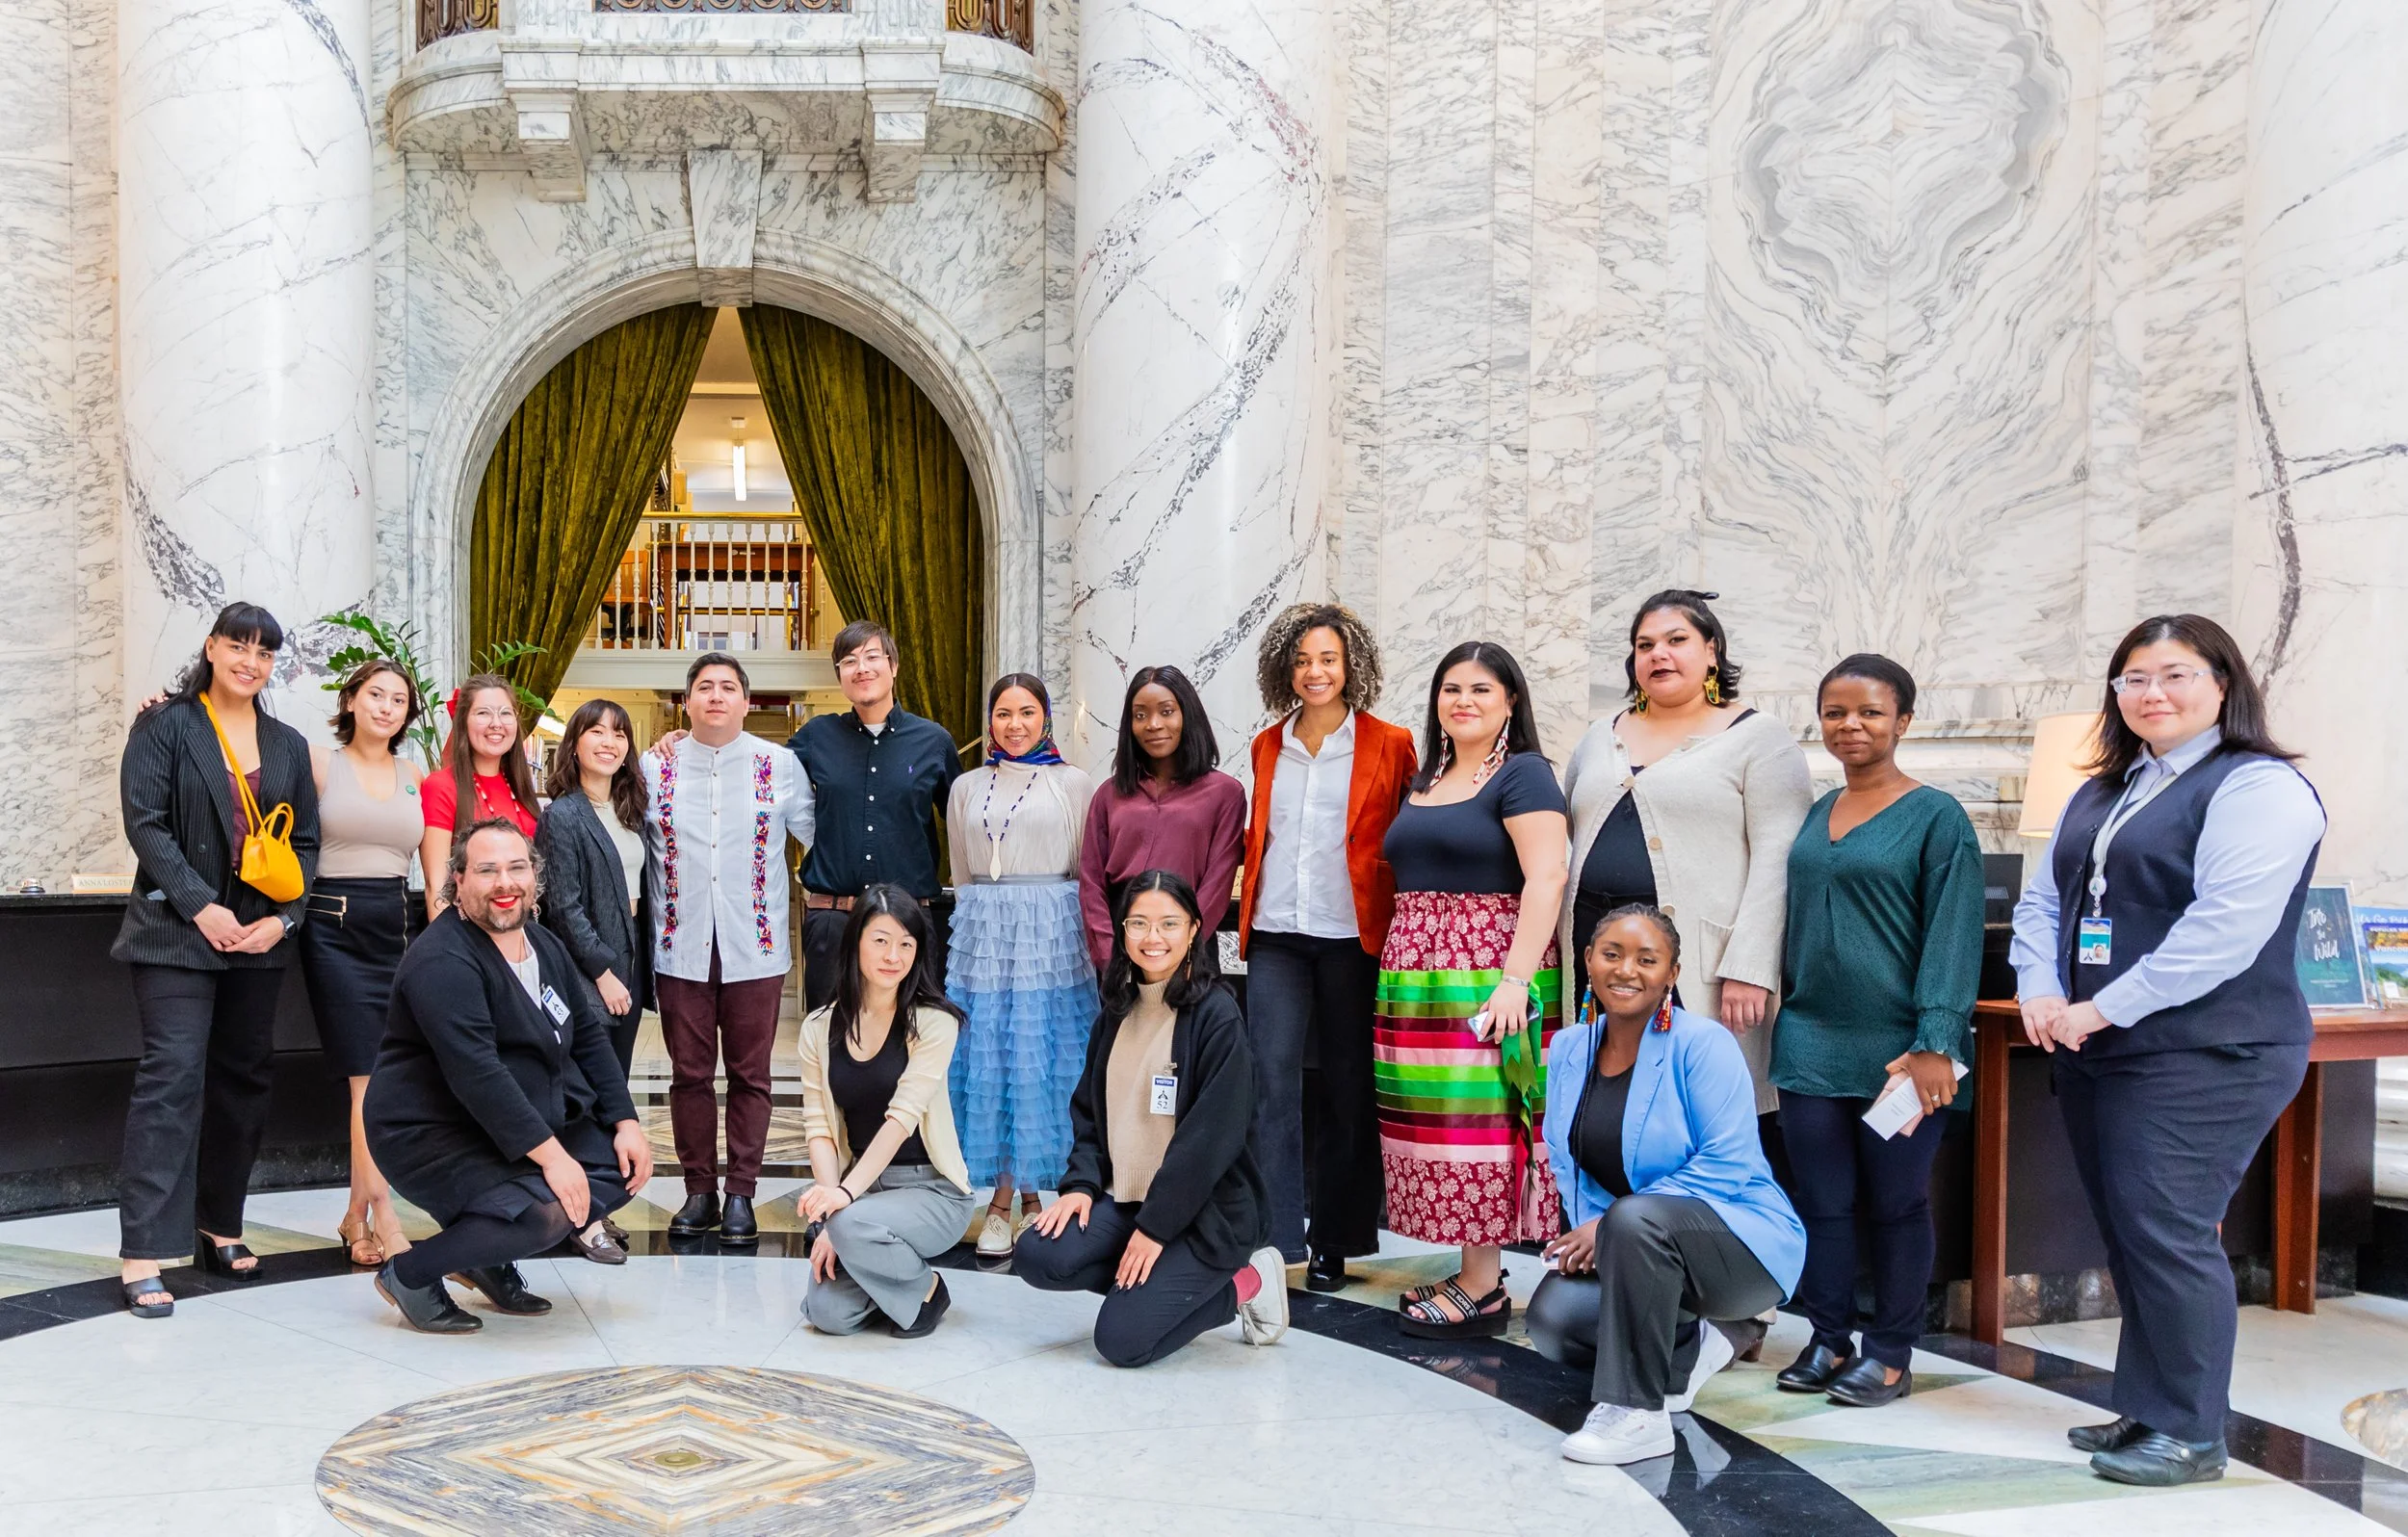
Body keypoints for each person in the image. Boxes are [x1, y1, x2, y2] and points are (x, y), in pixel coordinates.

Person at [2010, 614, 2325, 1488]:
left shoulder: (2258, 786)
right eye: (2134, 679)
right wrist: (2042, 989)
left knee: (2170, 1231)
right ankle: (2149, 1409)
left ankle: (2190, 1433)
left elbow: (2223, 931)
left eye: (2176, 675)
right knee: (2132, 1233)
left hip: (2209, 1048)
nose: (2153, 694)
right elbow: (2047, 902)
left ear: (2223, 684)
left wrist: (2101, 1008)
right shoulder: (2105, 788)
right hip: (2102, 1044)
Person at [1770, 655, 1983, 1405]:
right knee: (1820, 1201)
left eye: (1868, 712)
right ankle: (1828, 1338)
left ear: (1903, 722)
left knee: (1895, 1203)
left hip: (1903, 1052)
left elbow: (1953, 937)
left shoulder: (1937, 817)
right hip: (1807, 1036)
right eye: (1835, 712)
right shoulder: (1814, 810)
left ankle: (1890, 1352)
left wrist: (1936, 1042)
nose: (1850, 725)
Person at [1528, 904, 1805, 1465]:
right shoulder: (1568, 1050)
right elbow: (1567, 1163)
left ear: (1671, 974)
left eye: (1647, 960)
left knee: (1635, 1217)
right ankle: (1695, 1346)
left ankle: (1637, 1414)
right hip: (1640, 1241)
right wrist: (1593, 1237)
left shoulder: (1702, 1044)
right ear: (1588, 961)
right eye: (1612, 954)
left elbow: (1727, 1164)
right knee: (1557, 1320)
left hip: (1740, 1241)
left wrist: (1610, 1225)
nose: (1627, 970)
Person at [113, 603, 320, 1318]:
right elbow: (146, 824)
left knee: (244, 1081)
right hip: (176, 932)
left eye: (264, 652)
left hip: (258, 940)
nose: (250, 662)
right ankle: (143, 1249)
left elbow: (309, 846)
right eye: (239, 645)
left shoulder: (288, 744)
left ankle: (219, 1224)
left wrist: (283, 921)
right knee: (171, 1078)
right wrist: (202, 905)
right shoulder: (165, 725)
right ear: (212, 646)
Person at [364, 820, 652, 1333]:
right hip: (433, 1130)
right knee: (546, 1213)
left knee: (621, 1166)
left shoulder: (542, 943)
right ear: (459, 880)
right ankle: (409, 1272)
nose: (505, 883)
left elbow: (586, 1035)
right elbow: (479, 1074)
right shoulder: (442, 959)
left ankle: (480, 1256)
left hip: (519, 1115)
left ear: (534, 878)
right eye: (487, 870)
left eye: (517, 868)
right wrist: (554, 1158)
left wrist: (626, 1120)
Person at [1014, 871, 1289, 1367]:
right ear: (1122, 932)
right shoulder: (1116, 1012)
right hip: (1124, 1200)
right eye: (1138, 923)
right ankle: (1149, 1290)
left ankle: (1244, 1282)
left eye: (1168, 924)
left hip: (1204, 1214)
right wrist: (1079, 1185)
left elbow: (1207, 1144)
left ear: (1193, 930)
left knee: (1121, 1342)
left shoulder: (1216, 1016)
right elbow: (1089, 1114)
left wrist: (1157, 1229)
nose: (1153, 937)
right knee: (1038, 1253)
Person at [1377, 640, 1569, 1339]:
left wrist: (1514, 981)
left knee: (1477, 1127)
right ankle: (1470, 1269)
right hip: (1415, 977)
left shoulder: (1523, 776)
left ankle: (1485, 1285)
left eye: (1482, 689)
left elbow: (1547, 878)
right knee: (1428, 1128)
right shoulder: (1426, 777)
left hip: (1487, 971)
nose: (1463, 700)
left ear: (1511, 700)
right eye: (1451, 687)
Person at [1558, 590, 1812, 1111]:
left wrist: (1750, 967)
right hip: (1596, 966)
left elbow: (1778, 860)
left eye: (1677, 640)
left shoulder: (1759, 738)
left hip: (1701, 969)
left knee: (1693, 1111)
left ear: (1712, 650)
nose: (1658, 654)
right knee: (1603, 1107)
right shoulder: (1597, 737)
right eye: (1644, 644)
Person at [1235, 604, 1417, 1290]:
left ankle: (1338, 1239)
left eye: (1328, 660)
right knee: (1270, 1081)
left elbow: (1404, 838)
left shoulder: (1390, 742)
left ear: (1351, 667)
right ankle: (1278, 1236)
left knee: (1347, 1087)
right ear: (1286, 668)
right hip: (1278, 933)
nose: (1315, 672)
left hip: (1354, 937)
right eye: (1303, 660)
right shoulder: (1266, 745)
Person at [645, 654, 816, 1245]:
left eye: (728, 687)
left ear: (748, 701)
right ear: (685, 702)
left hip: (756, 947)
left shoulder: (781, 765)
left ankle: (741, 1192)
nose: (715, 696)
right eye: (703, 687)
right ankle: (698, 1191)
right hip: (679, 945)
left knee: (753, 1076)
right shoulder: (652, 768)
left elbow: (817, 840)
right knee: (689, 1076)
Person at [945, 674, 1100, 1261]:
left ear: (1046, 719)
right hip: (985, 932)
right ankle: (1001, 1201)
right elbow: (962, 871)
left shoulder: (1074, 783)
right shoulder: (966, 785)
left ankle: (1034, 1197)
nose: (1015, 725)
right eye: (1004, 713)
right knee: (990, 1060)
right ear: (990, 721)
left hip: (1051, 933)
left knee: (1043, 1061)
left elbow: (1088, 866)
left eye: (1027, 713)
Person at [797, 887, 976, 1337]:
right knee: (826, 1313)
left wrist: (843, 1206)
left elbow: (902, 1117)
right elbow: (819, 1126)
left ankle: (926, 1288)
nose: (893, 955)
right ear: (856, 940)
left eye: (906, 944)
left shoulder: (934, 1023)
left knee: (852, 1223)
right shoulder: (818, 1028)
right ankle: (886, 1281)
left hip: (932, 1192)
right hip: (865, 1195)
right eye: (880, 940)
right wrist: (828, 1214)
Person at [300, 658, 427, 1270]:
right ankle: (386, 1212)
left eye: (398, 700)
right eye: (375, 694)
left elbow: (434, 866)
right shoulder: (321, 765)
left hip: (395, 928)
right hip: (333, 925)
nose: (386, 707)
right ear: (351, 700)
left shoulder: (414, 772)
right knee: (364, 1077)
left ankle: (354, 1217)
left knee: (380, 1073)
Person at [789, 621, 964, 1011]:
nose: (861, 668)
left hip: (908, 922)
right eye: (849, 661)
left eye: (872, 657)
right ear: (840, 675)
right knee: (831, 1040)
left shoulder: (933, 741)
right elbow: (759, 773)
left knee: (910, 1039)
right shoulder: (816, 737)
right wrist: (689, 741)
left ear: (894, 665)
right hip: (833, 922)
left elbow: (965, 820)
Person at [1077, 664, 1246, 972]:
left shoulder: (1225, 794)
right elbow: (1091, 883)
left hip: (1191, 950)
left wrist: (1183, 947)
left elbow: (1217, 885)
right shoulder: (1108, 795)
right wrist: (1108, 954)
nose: (1153, 724)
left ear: (1187, 716)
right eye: (1140, 715)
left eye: (1166, 711)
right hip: (1121, 945)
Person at [537, 699, 653, 1075]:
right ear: (573, 745)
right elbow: (563, 907)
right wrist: (603, 974)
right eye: (597, 731)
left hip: (630, 954)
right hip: (590, 965)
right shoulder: (563, 814)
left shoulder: (630, 811)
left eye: (619, 734)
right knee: (593, 1079)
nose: (609, 742)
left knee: (618, 1074)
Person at [419, 674, 540, 922]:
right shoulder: (441, 786)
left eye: (506, 713)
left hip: (521, 929)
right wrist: (446, 953)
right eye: (483, 713)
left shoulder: (520, 787)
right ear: (463, 722)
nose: (496, 723)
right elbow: (436, 886)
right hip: (466, 931)